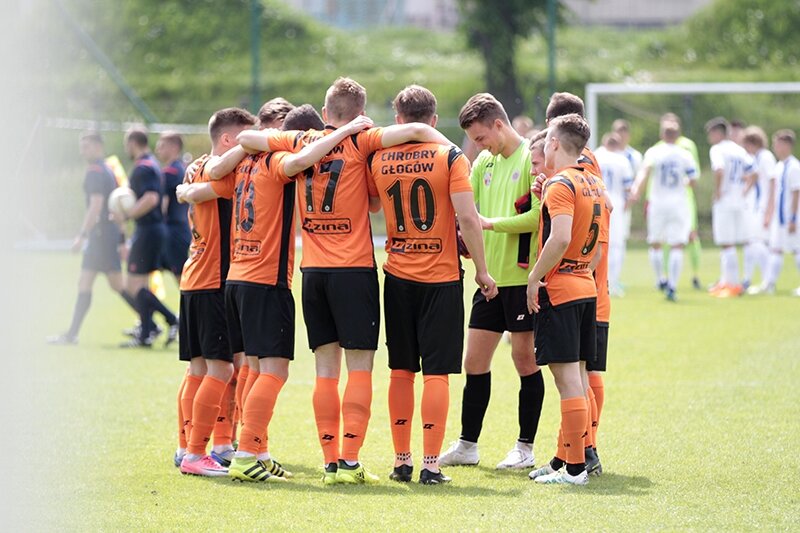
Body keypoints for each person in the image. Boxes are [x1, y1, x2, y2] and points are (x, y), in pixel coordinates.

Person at [239, 78, 453, 485]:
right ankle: (349, 463)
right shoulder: (361, 139)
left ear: (325, 111)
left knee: (325, 371)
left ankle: (329, 463)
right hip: (353, 271)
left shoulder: (300, 139)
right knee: (359, 369)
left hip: (312, 272)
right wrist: (453, 154)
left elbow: (248, 138)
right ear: (361, 113)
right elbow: (416, 131)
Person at [181, 105, 376, 483]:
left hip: (235, 279)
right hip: (265, 281)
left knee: (250, 369)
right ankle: (243, 453)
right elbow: (302, 160)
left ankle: (252, 450)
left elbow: (211, 182)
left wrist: (185, 191)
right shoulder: (277, 163)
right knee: (273, 371)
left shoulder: (243, 164)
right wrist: (346, 131)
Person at [368, 85, 498, 485]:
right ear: (435, 120)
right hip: (440, 278)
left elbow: (372, 204)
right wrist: (482, 270)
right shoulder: (450, 156)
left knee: (401, 370)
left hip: (397, 275)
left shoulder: (379, 157)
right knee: (437, 374)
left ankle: (401, 461)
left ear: (398, 120)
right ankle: (430, 465)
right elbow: (469, 219)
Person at [439, 93, 546, 471]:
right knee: (474, 361)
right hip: (489, 280)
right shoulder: (483, 162)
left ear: (499, 125)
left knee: (524, 360)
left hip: (522, 279)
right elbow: (467, 211)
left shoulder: (531, 158)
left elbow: (538, 217)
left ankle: (525, 448)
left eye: (481, 137)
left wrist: (489, 224)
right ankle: (468, 445)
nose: (478, 145)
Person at [170, 108, 257, 476]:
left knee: (199, 369)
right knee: (222, 369)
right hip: (213, 280)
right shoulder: (223, 171)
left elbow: (190, 191)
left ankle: (193, 446)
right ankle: (195, 452)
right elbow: (212, 188)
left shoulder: (195, 166)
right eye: (246, 137)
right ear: (227, 139)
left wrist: (185, 191)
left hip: (193, 277)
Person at [526, 114, 603, 486]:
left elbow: (559, 238)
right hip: (586, 286)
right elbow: (597, 248)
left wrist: (534, 277)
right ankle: (564, 458)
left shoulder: (561, 183)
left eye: (546, 141)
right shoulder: (593, 182)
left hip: (561, 291)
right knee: (579, 379)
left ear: (554, 143)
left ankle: (575, 469)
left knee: (568, 381)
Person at [47, 132, 135, 345]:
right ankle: (72, 334)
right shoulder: (107, 169)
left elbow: (96, 206)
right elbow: (115, 207)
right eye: (82, 147)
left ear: (98, 147)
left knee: (117, 285)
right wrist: (121, 238)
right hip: (104, 237)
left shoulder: (95, 171)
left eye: (86, 146)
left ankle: (158, 320)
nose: (82, 151)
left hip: (100, 238)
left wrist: (82, 235)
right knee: (87, 282)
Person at [115, 127, 179, 347]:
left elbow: (151, 198)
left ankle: (169, 320)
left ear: (132, 143)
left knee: (133, 285)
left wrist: (127, 214)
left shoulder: (143, 167)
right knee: (140, 285)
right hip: (152, 230)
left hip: (148, 230)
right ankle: (147, 331)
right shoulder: (152, 164)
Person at [629, 121, 699, 301]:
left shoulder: (654, 152)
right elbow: (693, 180)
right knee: (677, 245)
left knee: (655, 243)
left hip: (658, 203)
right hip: (679, 203)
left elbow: (644, 172)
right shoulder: (685, 154)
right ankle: (673, 286)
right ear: (678, 136)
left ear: (662, 135)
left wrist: (636, 190)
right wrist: (684, 183)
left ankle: (661, 278)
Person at [705, 117, 757, 298]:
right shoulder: (739, 150)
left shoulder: (717, 149)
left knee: (727, 244)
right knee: (732, 242)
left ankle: (732, 285)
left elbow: (719, 170)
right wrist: (745, 191)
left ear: (717, 133)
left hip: (725, 201)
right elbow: (754, 172)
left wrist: (718, 191)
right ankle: (726, 281)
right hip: (739, 201)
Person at [756, 129, 800, 295]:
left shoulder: (794, 167)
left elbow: (796, 193)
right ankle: (769, 283)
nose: (775, 147)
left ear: (787, 145)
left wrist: (793, 217)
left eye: (778, 144)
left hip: (791, 217)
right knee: (775, 249)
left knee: (796, 249)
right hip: (779, 217)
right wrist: (770, 214)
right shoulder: (779, 166)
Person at [594, 132, 634, 296]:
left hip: (595, 202)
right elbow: (628, 188)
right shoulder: (622, 160)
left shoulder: (596, 155)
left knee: (596, 243)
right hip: (615, 204)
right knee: (616, 245)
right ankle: (612, 283)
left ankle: (597, 281)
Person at [741, 126, 777, 292]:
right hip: (756, 207)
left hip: (762, 207)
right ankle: (764, 280)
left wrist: (769, 210)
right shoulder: (756, 158)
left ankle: (768, 281)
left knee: (759, 243)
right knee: (754, 242)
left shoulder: (765, 157)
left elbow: (772, 184)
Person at [155, 132, 191, 282]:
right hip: (180, 229)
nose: (158, 149)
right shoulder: (181, 168)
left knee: (182, 280)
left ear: (174, 147)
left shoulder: (170, 172)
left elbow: (162, 206)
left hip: (173, 231)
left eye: (162, 146)